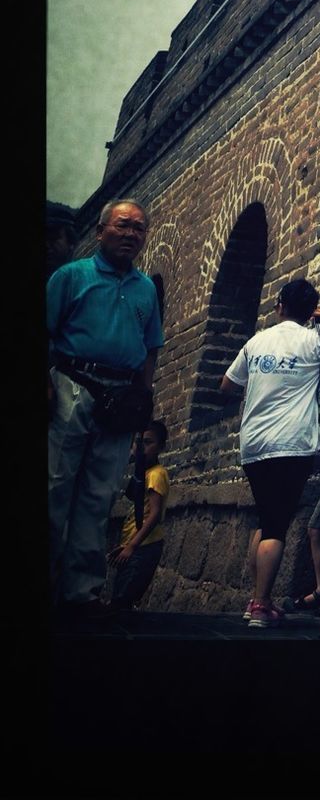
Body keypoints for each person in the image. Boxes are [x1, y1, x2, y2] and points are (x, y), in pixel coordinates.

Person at [220, 279, 320, 628]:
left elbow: (227, 385)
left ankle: (256, 598)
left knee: (265, 518)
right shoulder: (316, 340)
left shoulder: (256, 341)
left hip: (254, 443)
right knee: (276, 524)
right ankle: (261, 604)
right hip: (291, 443)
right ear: (311, 311)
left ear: (279, 307)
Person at [48, 198, 164, 615]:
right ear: (100, 232)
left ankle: (81, 590)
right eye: (122, 225)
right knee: (54, 486)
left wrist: (143, 398)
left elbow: (151, 349)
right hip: (71, 384)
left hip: (120, 398)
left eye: (139, 228)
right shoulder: (70, 277)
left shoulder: (146, 288)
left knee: (99, 495)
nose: (131, 234)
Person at [106, 418, 170, 611]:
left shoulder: (156, 474)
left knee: (123, 599)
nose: (141, 447)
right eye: (138, 442)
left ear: (161, 447)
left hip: (144, 545)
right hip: (135, 543)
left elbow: (154, 514)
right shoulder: (142, 472)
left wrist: (131, 547)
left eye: (148, 442)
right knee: (119, 596)